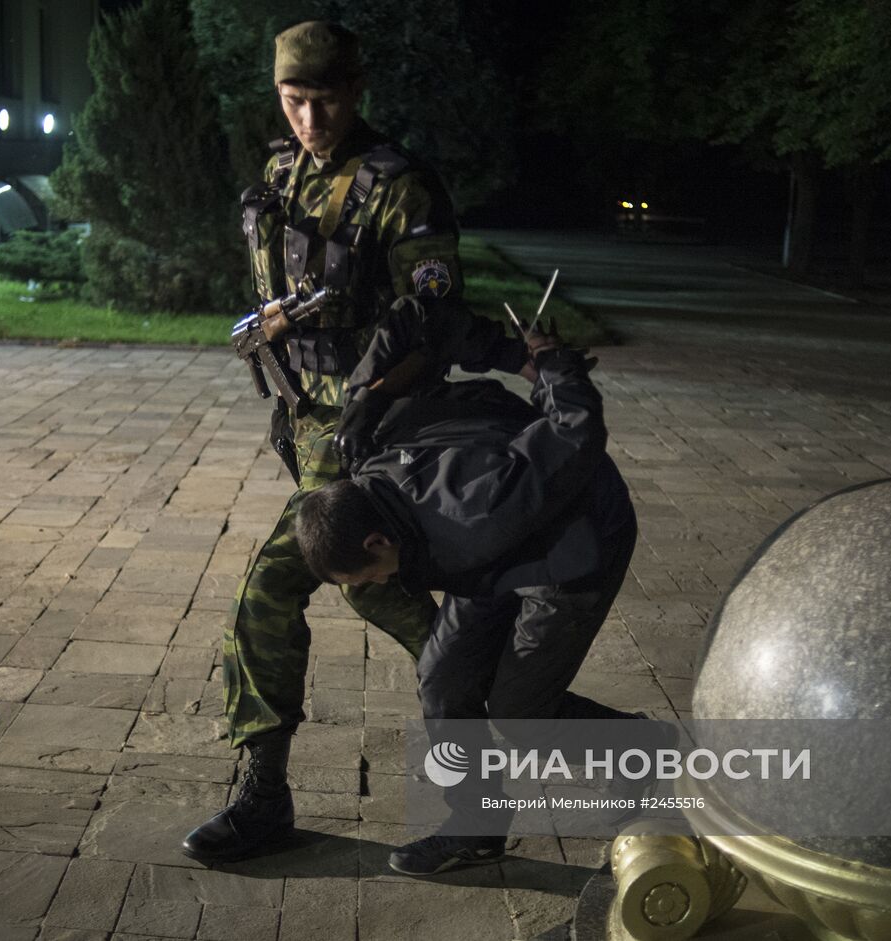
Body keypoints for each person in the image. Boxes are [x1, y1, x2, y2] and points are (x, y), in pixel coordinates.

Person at [183, 21, 527, 863]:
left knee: (272, 590)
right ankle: (517, 739)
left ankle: (267, 800)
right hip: (309, 433)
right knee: (396, 607)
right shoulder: (279, 172)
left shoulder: (398, 187)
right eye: (294, 100)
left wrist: (370, 405)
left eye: (325, 98)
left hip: (377, 442)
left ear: (357, 88)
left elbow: (434, 318)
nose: (310, 117)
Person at [296, 333, 671, 875]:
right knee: (443, 679)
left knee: (522, 713)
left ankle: (640, 746)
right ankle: (477, 829)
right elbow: (413, 327)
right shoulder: (367, 453)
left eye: (366, 576)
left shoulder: (473, 510)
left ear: (377, 542)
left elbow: (576, 432)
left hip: (578, 541)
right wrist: (372, 393)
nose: (371, 586)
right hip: (495, 549)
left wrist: (553, 369)